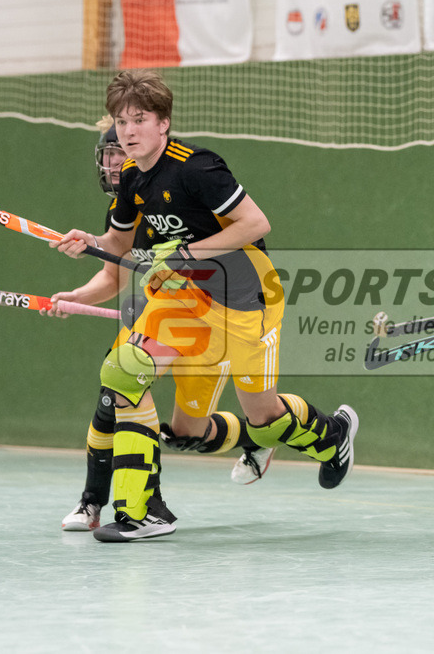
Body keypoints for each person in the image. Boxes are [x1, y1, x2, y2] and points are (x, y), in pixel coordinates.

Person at [53, 69, 358, 542]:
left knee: (264, 419)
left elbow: (255, 224)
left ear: (163, 123)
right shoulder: (131, 176)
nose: (128, 131)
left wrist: (186, 253)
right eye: (121, 121)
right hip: (184, 298)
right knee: (128, 376)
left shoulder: (196, 167)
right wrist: (86, 252)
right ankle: (142, 512)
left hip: (246, 296)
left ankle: (332, 435)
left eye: (139, 120)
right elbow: (115, 247)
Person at [57, 117, 276, 533]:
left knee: (185, 433)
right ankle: (96, 502)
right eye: (111, 153)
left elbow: (246, 231)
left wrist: (186, 257)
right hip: (158, 312)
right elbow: (112, 273)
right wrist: (77, 296)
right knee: (115, 389)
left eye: (121, 152)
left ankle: (256, 437)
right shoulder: (126, 204)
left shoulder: (181, 192)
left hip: (211, 313)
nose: (116, 162)